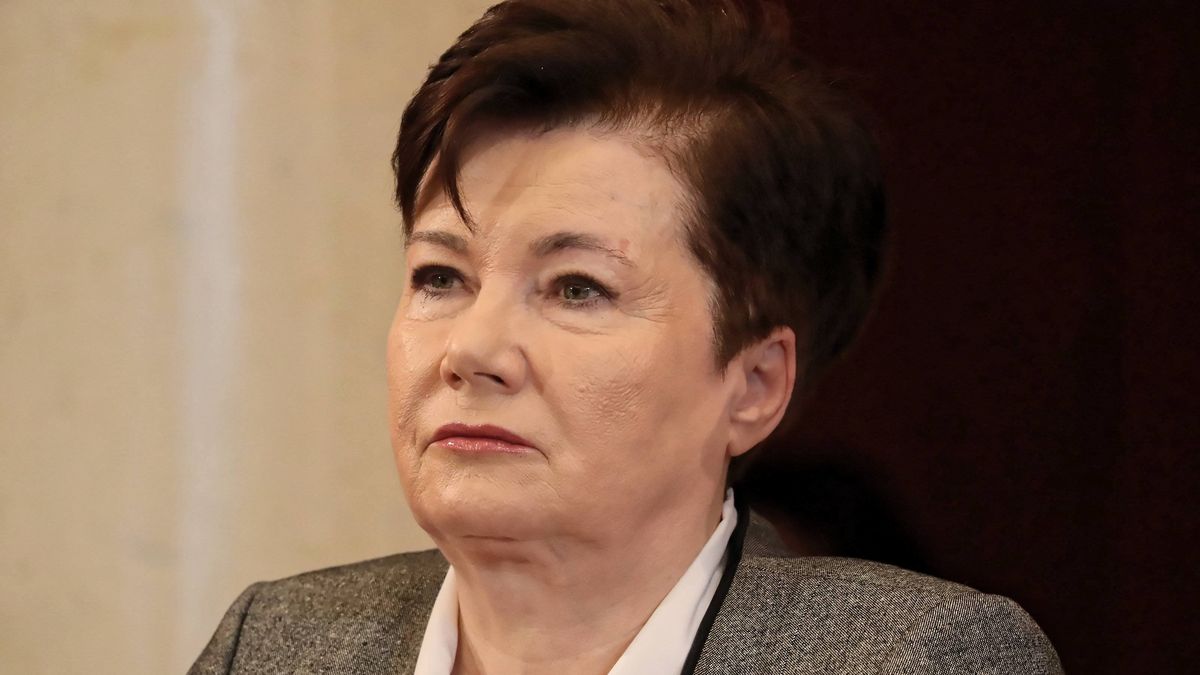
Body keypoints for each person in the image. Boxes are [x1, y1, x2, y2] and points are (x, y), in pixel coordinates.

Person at [190, 0, 1062, 673]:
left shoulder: (910, 658)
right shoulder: (275, 643)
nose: (471, 351)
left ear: (754, 384)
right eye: (439, 277)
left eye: (577, 287)